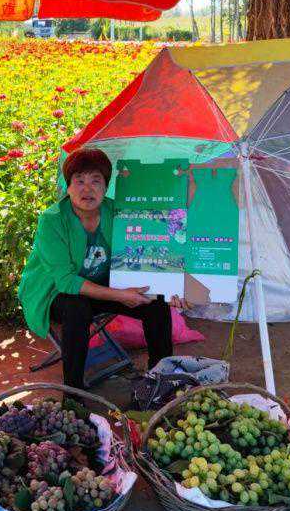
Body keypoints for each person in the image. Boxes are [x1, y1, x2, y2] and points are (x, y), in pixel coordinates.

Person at [18, 147, 184, 390]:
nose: (87, 189)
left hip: (102, 285)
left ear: (106, 187)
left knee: (155, 303)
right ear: (68, 186)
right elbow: (66, 281)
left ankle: (160, 379)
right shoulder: (52, 220)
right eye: (79, 181)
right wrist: (120, 295)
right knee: (76, 308)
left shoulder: (116, 211)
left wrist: (173, 288)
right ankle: (73, 393)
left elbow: (145, 252)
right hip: (54, 292)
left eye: (96, 181)